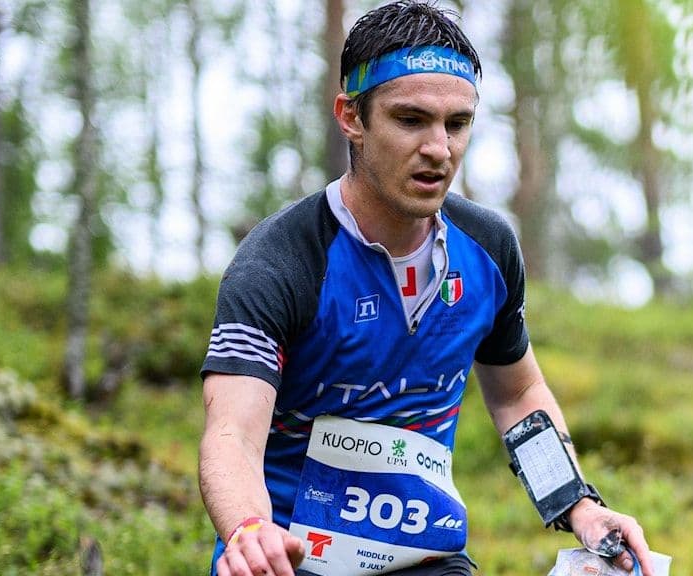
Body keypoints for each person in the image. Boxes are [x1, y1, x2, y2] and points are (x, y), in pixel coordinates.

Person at [198, 2, 654, 575]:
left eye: (457, 124)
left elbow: (517, 395)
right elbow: (232, 435)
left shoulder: (488, 249)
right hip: (284, 558)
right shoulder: (281, 262)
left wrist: (577, 504)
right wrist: (247, 529)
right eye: (411, 120)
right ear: (351, 117)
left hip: (425, 560)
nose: (440, 149)